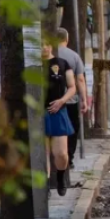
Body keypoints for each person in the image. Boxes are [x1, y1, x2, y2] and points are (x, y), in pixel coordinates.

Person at [42, 41, 76, 196]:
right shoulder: (30, 65)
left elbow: (72, 87)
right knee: (43, 152)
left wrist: (62, 101)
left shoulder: (62, 63)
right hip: (38, 112)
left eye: (46, 44)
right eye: (39, 44)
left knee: (61, 153)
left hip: (58, 111)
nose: (43, 47)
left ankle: (61, 177)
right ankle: (46, 185)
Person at [55, 28, 88, 169]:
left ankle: (56, 159)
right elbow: (80, 80)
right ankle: (70, 158)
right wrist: (84, 99)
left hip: (52, 101)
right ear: (66, 39)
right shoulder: (74, 56)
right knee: (72, 129)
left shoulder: (47, 54)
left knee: (55, 130)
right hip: (70, 101)